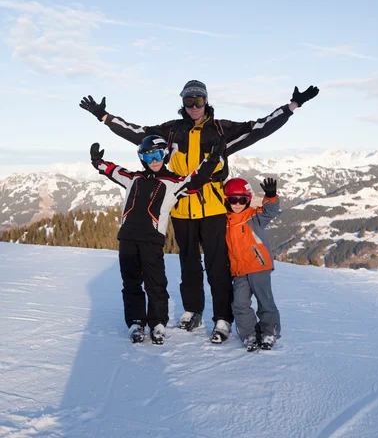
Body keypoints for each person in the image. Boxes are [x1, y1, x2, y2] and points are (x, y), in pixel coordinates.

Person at [80, 80, 319, 343]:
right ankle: (193, 310)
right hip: (182, 208)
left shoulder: (221, 129)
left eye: (199, 101)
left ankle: (222, 317)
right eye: (189, 101)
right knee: (189, 264)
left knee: (217, 265)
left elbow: (259, 128)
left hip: (214, 207)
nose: (194, 106)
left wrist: (292, 106)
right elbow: (138, 134)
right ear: (182, 103)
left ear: (206, 102)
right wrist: (104, 117)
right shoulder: (171, 131)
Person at [90, 133, 225, 345]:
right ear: (142, 158)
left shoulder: (173, 182)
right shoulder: (133, 178)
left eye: (158, 155)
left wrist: (213, 158)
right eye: (149, 156)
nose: (154, 161)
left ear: (165, 156)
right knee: (131, 282)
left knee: (156, 283)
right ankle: (136, 321)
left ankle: (157, 323)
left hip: (152, 241)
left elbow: (196, 178)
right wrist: (97, 162)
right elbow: (114, 171)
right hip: (127, 239)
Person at [223, 176, 281, 352]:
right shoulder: (224, 221)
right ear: (227, 200)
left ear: (248, 200)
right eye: (234, 199)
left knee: (265, 301)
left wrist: (271, 197)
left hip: (259, 267)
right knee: (240, 304)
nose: (238, 203)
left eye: (243, 200)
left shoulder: (254, 216)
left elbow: (270, 212)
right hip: (239, 270)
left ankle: (269, 332)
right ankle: (249, 334)